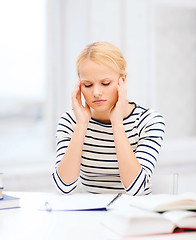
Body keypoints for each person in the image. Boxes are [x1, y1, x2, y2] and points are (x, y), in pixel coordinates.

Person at [52, 41, 165, 195]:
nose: (96, 92)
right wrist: (81, 125)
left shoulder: (149, 121)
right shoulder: (70, 122)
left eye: (105, 83)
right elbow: (63, 188)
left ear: (122, 80)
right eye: (88, 85)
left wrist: (117, 124)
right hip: (89, 215)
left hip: (134, 215)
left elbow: (136, 188)